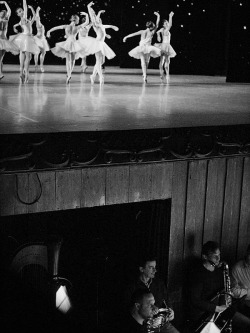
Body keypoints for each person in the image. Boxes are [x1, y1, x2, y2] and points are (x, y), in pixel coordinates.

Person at [186, 241, 250, 332]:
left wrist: (226, 299)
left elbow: (222, 291)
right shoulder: (198, 274)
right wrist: (217, 308)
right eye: (215, 256)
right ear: (205, 256)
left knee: (247, 324)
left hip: (219, 310)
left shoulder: (218, 271)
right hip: (204, 313)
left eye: (219, 255)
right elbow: (195, 300)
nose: (218, 258)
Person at [124, 255, 179, 333]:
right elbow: (131, 310)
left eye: (155, 267)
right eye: (151, 268)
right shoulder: (132, 286)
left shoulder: (159, 284)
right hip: (144, 326)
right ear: (141, 269)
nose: (155, 270)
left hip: (161, 323)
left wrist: (171, 311)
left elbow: (167, 300)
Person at [47, 12, 89, 84]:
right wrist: (86, 15)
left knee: (68, 60)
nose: (78, 21)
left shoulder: (66, 26)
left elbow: (56, 28)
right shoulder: (77, 27)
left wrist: (49, 31)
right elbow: (87, 22)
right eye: (78, 19)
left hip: (67, 43)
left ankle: (68, 74)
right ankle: (70, 74)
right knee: (72, 60)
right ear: (75, 20)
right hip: (74, 43)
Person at [86, 2, 119, 84]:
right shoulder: (95, 25)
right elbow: (93, 18)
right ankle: (101, 77)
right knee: (98, 61)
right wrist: (93, 9)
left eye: (99, 19)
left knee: (101, 62)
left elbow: (106, 27)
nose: (99, 19)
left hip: (102, 44)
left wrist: (110, 30)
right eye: (97, 19)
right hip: (97, 44)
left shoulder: (102, 26)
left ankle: (93, 75)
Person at [123, 12, 161, 83]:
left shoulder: (148, 32)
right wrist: (126, 37)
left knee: (145, 62)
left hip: (147, 47)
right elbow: (133, 34)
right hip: (143, 47)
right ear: (150, 27)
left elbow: (157, 24)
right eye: (153, 26)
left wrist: (126, 37)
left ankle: (144, 74)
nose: (154, 27)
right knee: (145, 62)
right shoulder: (147, 32)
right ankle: (145, 75)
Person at [10, 0, 40, 83]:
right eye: (20, 11)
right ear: (18, 14)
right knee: (28, 56)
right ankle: (26, 73)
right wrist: (24, 2)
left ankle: (21, 71)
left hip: (26, 37)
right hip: (26, 38)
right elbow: (25, 7)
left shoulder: (25, 20)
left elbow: (34, 17)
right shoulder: (23, 19)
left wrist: (32, 9)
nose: (22, 11)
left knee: (24, 54)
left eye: (21, 10)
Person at [155, 12, 176, 83]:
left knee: (162, 61)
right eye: (166, 23)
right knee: (167, 61)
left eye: (167, 22)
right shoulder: (166, 30)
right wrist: (170, 16)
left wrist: (158, 34)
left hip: (163, 45)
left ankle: (162, 75)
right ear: (164, 25)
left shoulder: (162, 30)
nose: (167, 24)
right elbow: (170, 25)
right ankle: (167, 75)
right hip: (166, 46)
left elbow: (159, 37)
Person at [0, 1, 19, 80]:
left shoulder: (6, 19)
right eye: (0, 13)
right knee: (0, 59)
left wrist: (5, 3)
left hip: (3, 40)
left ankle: (0, 73)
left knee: (1, 59)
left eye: (2, 13)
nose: (1, 14)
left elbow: (9, 11)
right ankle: (0, 74)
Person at [231, 244, 250, 318]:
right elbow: (232, 291)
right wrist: (247, 292)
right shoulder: (237, 268)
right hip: (246, 303)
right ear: (247, 253)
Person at [33, 6, 50, 73]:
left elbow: (36, 17)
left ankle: (37, 65)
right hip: (39, 39)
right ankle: (40, 65)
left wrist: (35, 11)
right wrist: (37, 11)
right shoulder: (38, 24)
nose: (38, 17)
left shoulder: (38, 23)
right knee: (41, 52)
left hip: (41, 39)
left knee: (39, 53)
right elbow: (37, 17)